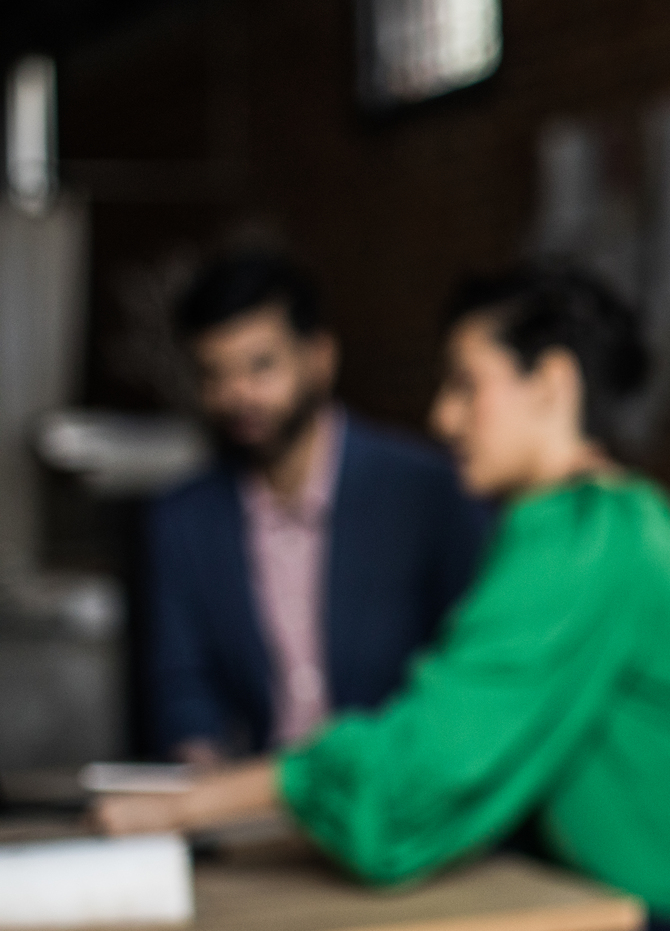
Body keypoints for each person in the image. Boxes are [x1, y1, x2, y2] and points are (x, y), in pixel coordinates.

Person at [102, 266, 670, 931]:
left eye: (465, 385)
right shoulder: (589, 522)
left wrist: (182, 808)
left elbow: (422, 764)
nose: (441, 417)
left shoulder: (587, 531)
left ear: (552, 385)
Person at [148, 253, 488, 763]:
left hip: (397, 800)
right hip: (246, 807)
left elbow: (466, 671)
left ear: (320, 358)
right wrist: (204, 779)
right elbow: (181, 689)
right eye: (214, 374)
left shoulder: (427, 492)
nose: (238, 395)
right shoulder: (181, 521)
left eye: (261, 366)